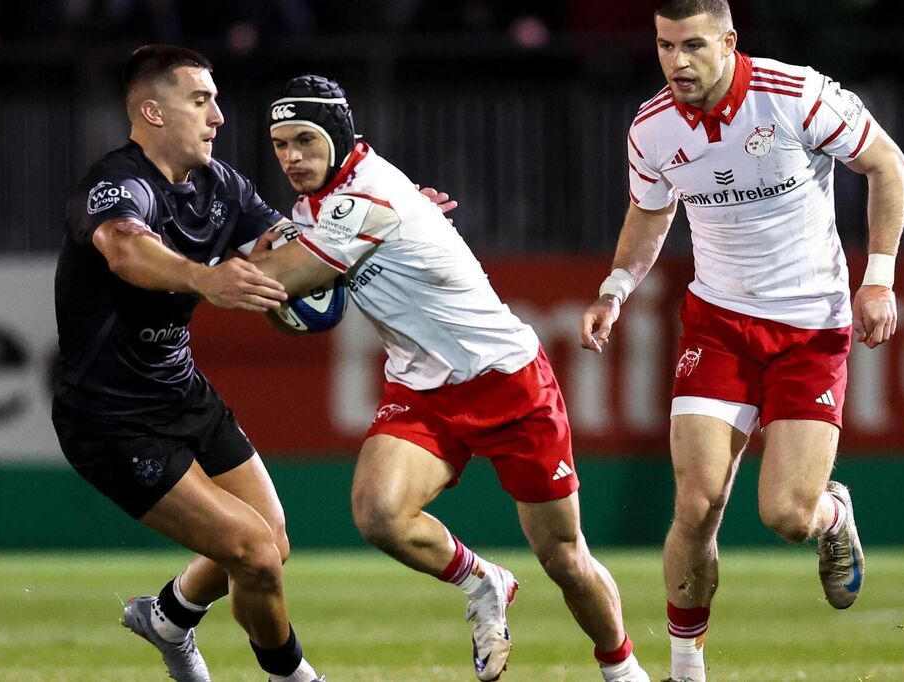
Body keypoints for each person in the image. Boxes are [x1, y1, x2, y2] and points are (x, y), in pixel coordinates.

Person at [249, 74, 652, 682]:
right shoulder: (326, 199)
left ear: (335, 134)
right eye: (280, 144)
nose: (291, 157)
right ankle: (484, 581)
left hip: (506, 381)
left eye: (303, 140)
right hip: (421, 387)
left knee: (565, 558)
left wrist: (219, 269)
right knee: (378, 514)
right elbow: (294, 312)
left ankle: (623, 670)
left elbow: (282, 282)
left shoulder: (365, 197)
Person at [578, 2, 904, 681]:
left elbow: (888, 166)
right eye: (666, 46)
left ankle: (831, 511)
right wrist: (614, 288)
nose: (677, 62)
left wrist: (878, 279)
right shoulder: (651, 126)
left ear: (729, 42)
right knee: (696, 504)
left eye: (693, 46)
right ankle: (685, 670)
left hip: (810, 328)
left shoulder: (795, 95)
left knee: (787, 515)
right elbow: (649, 214)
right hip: (719, 325)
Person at [51, 44, 325, 682]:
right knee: (254, 552)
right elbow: (125, 250)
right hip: (111, 421)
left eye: (216, 100)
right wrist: (204, 279)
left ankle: (169, 616)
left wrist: (381, 220)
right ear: (152, 110)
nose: (219, 116)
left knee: (271, 545)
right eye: (200, 100)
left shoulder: (219, 185)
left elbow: (283, 242)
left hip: (180, 393)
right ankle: (295, 678)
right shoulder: (117, 185)